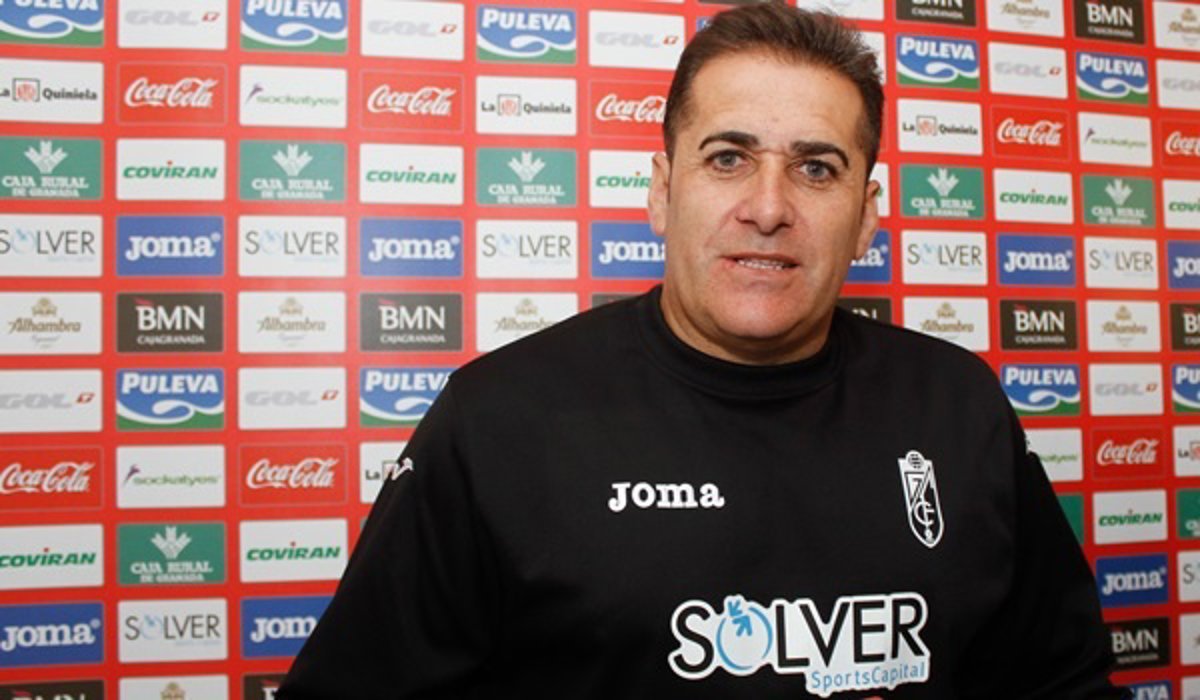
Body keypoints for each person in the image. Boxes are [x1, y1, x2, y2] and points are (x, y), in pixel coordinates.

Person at [280, 3, 1122, 697]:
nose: (768, 207)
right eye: (728, 158)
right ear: (661, 191)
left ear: (866, 217)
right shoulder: (498, 419)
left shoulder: (959, 405)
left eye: (816, 169)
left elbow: (1064, 682)